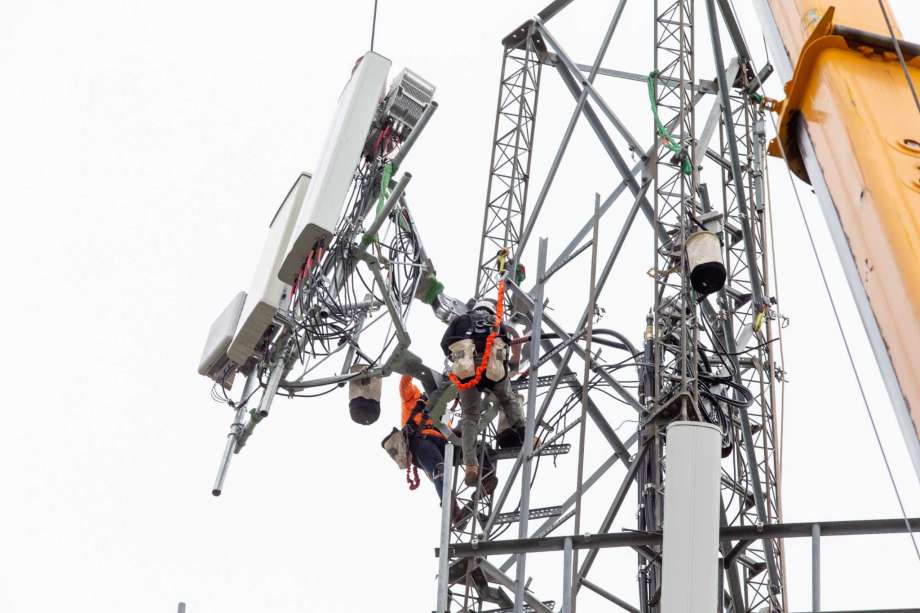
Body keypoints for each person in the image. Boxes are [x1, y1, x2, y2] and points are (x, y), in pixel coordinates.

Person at [440, 298, 525, 487]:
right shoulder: (496, 322)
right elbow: (505, 347)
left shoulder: (460, 320)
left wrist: (458, 358)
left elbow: (444, 343)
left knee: (470, 416)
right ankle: (526, 433)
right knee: (508, 399)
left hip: (466, 370)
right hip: (493, 368)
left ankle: (470, 466)